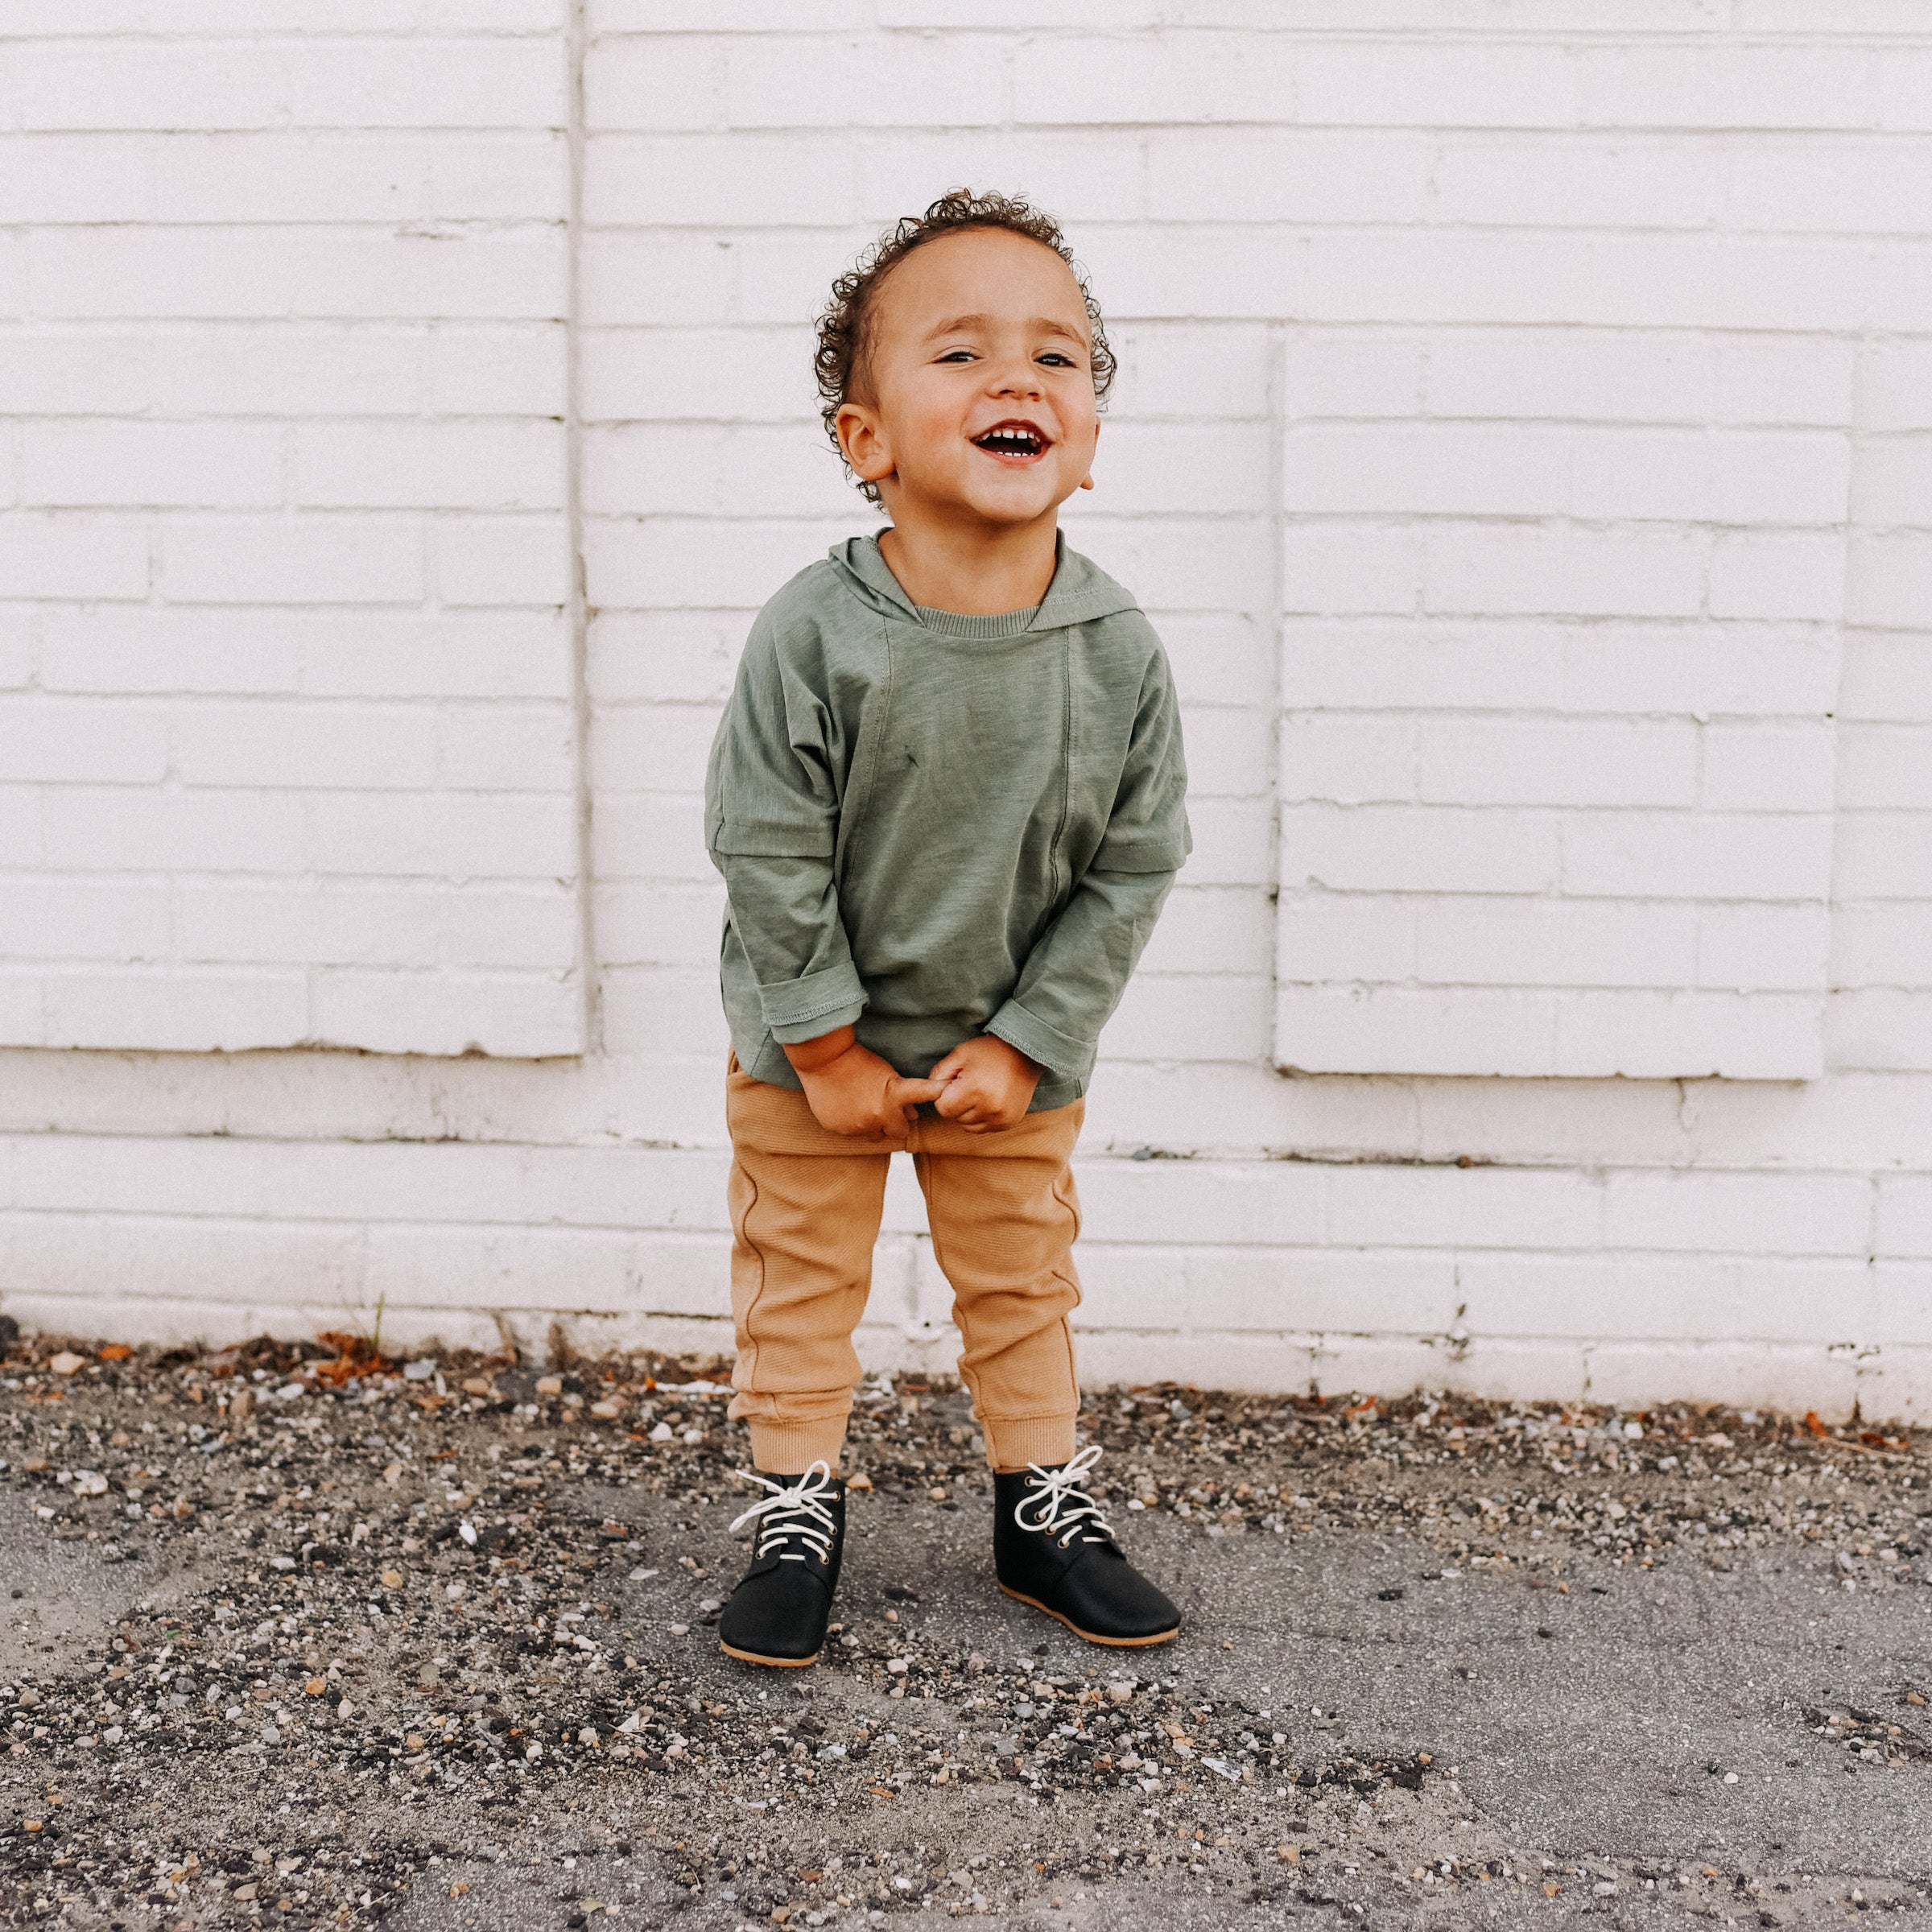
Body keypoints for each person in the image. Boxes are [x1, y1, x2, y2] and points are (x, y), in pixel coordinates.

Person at [704, 189, 1191, 1669]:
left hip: (1007, 1054)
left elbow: (1135, 863)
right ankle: (797, 1507)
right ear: (868, 440)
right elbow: (765, 843)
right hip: (813, 1057)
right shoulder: (815, 633)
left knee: (1023, 1280)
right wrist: (827, 1047)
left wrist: (1031, 1041)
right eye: (962, 352)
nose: (1015, 380)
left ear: (1088, 437)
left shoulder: (1114, 651)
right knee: (800, 1280)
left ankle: (1040, 1508)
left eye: (1057, 356)